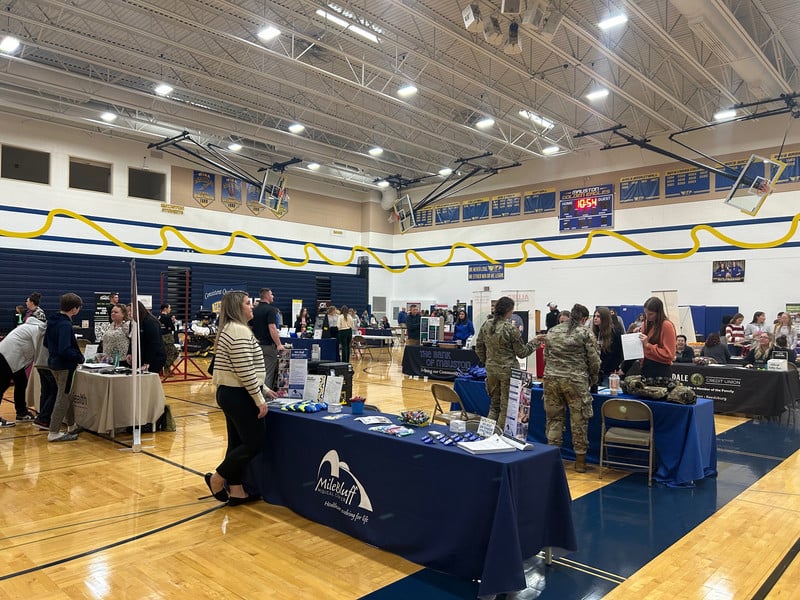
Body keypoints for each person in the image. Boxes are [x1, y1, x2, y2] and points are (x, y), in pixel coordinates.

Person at [204, 290, 278, 506]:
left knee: (237, 442)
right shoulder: (238, 331)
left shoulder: (232, 329)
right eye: (248, 303)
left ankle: (237, 490)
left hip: (231, 391)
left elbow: (242, 367)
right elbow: (244, 368)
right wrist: (258, 398)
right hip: (239, 395)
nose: (251, 306)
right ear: (238, 307)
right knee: (255, 442)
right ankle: (217, 479)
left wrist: (263, 388)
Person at [544, 303, 600, 473]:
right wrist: (593, 379)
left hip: (552, 380)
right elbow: (594, 360)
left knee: (554, 420)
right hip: (576, 381)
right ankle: (580, 463)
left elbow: (546, 356)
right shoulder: (585, 332)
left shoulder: (552, 331)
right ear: (584, 319)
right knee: (579, 421)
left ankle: (553, 460)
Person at [475, 297, 543, 432]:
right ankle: (497, 438)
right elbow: (522, 352)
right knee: (505, 407)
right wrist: (536, 341)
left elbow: (478, 347)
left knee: (494, 405)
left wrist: (487, 361)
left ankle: (486, 433)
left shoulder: (486, 325)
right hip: (508, 372)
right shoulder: (510, 329)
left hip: (491, 370)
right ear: (508, 311)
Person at [44, 293, 85, 442]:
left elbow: (46, 344)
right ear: (74, 309)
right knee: (62, 397)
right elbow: (64, 349)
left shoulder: (52, 321)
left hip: (53, 363)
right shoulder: (65, 325)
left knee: (66, 394)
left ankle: (72, 425)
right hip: (65, 366)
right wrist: (79, 357)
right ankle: (53, 432)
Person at [0, 316, 46, 426]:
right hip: (6, 357)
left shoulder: (31, 327)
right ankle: (21, 412)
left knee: (21, 382)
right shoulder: (37, 330)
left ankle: (21, 412)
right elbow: (39, 350)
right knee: (2, 385)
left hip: (13, 358)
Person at [250, 288, 284, 389]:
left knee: (256, 372)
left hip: (256, 345)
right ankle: (266, 398)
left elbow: (250, 327)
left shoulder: (254, 310)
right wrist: (279, 344)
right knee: (267, 373)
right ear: (267, 296)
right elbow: (272, 327)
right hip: (268, 346)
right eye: (271, 294)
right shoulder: (271, 310)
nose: (273, 296)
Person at [638, 296, 676, 379]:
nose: (647, 316)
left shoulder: (666, 325)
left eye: (650, 314)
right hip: (646, 367)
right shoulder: (647, 323)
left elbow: (669, 355)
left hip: (661, 371)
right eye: (646, 313)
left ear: (658, 313)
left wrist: (648, 345)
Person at [592, 307, 623, 386]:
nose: (595, 318)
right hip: (596, 373)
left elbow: (620, 353)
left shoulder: (615, 332)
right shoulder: (594, 333)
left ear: (605, 318)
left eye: (598, 317)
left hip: (609, 372)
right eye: (594, 316)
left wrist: (619, 368)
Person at [133, 301, 166, 374]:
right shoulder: (136, 322)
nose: (129, 313)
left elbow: (154, 343)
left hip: (155, 357)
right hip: (143, 356)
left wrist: (147, 361)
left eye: (131, 311)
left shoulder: (150, 322)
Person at [159, 303, 178, 371]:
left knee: (174, 352)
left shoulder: (158, 317)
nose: (170, 309)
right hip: (167, 338)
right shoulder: (167, 317)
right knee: (171, 354)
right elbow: (172, 328)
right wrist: (172, 323)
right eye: (169, 308)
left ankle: (166, 367)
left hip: (161, 337)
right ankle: (166, 368)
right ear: (165, 309)